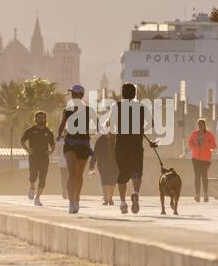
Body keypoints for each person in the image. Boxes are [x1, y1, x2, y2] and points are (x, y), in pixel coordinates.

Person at [107, 83, 154, 214]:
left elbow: (111, 126)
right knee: (137, 171)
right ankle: (136, 193)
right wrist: (141, 130)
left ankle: (122, 203)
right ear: (135, 94)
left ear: (122, 93)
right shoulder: (141, 107)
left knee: (122, 173)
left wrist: (113, 128)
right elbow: (151, 123)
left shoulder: (116, 106)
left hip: (121, 143)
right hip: (136, 143)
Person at [57, 85, 98, 214]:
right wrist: (59, 135)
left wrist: (93, 131)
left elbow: (97, 125)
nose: (73, 96)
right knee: (71, 172)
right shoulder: (67, 110)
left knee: (79, 174)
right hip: (70, 141)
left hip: (83, 143)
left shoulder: (89, 110)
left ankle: (77, 198)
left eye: (75, 94)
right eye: (72, 94)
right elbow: (63, 124)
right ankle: (71, 201)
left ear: (81, 95)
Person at [20, 110, 55, 206]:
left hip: (44, 157)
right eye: (39, 117)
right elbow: (22, 141)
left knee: (42, 178)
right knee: (33, 175)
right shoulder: (30, 130)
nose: (41, 119)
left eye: (43, 117)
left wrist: (51, 151)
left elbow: (53, 145)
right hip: (33, 156)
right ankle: (32, 187)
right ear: (35, 119)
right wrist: (27, 150)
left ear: (45, 119)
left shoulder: (49, 132)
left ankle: (38, 198)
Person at [188, 118, 217, 202]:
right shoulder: (194, 134)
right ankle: (197, 195)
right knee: (197, 176)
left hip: (206, 159)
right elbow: (190, 143)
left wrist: (205, 143)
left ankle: (205, 194)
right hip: (196, 158)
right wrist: (193, 144)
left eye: (201, 124)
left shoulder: (209, 134)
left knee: (204, 175)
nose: (200, 126)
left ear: (204, 125)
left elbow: (214, 146)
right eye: (199, 124)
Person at [89, 132, 119, 205]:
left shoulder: (117, 139)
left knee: (113, 180)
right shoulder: (100, 140)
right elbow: (95, 152)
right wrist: (92, 164)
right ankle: (105, 199)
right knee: (104, 179)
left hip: (115, 163)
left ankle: (110, 198)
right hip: (103, 163)